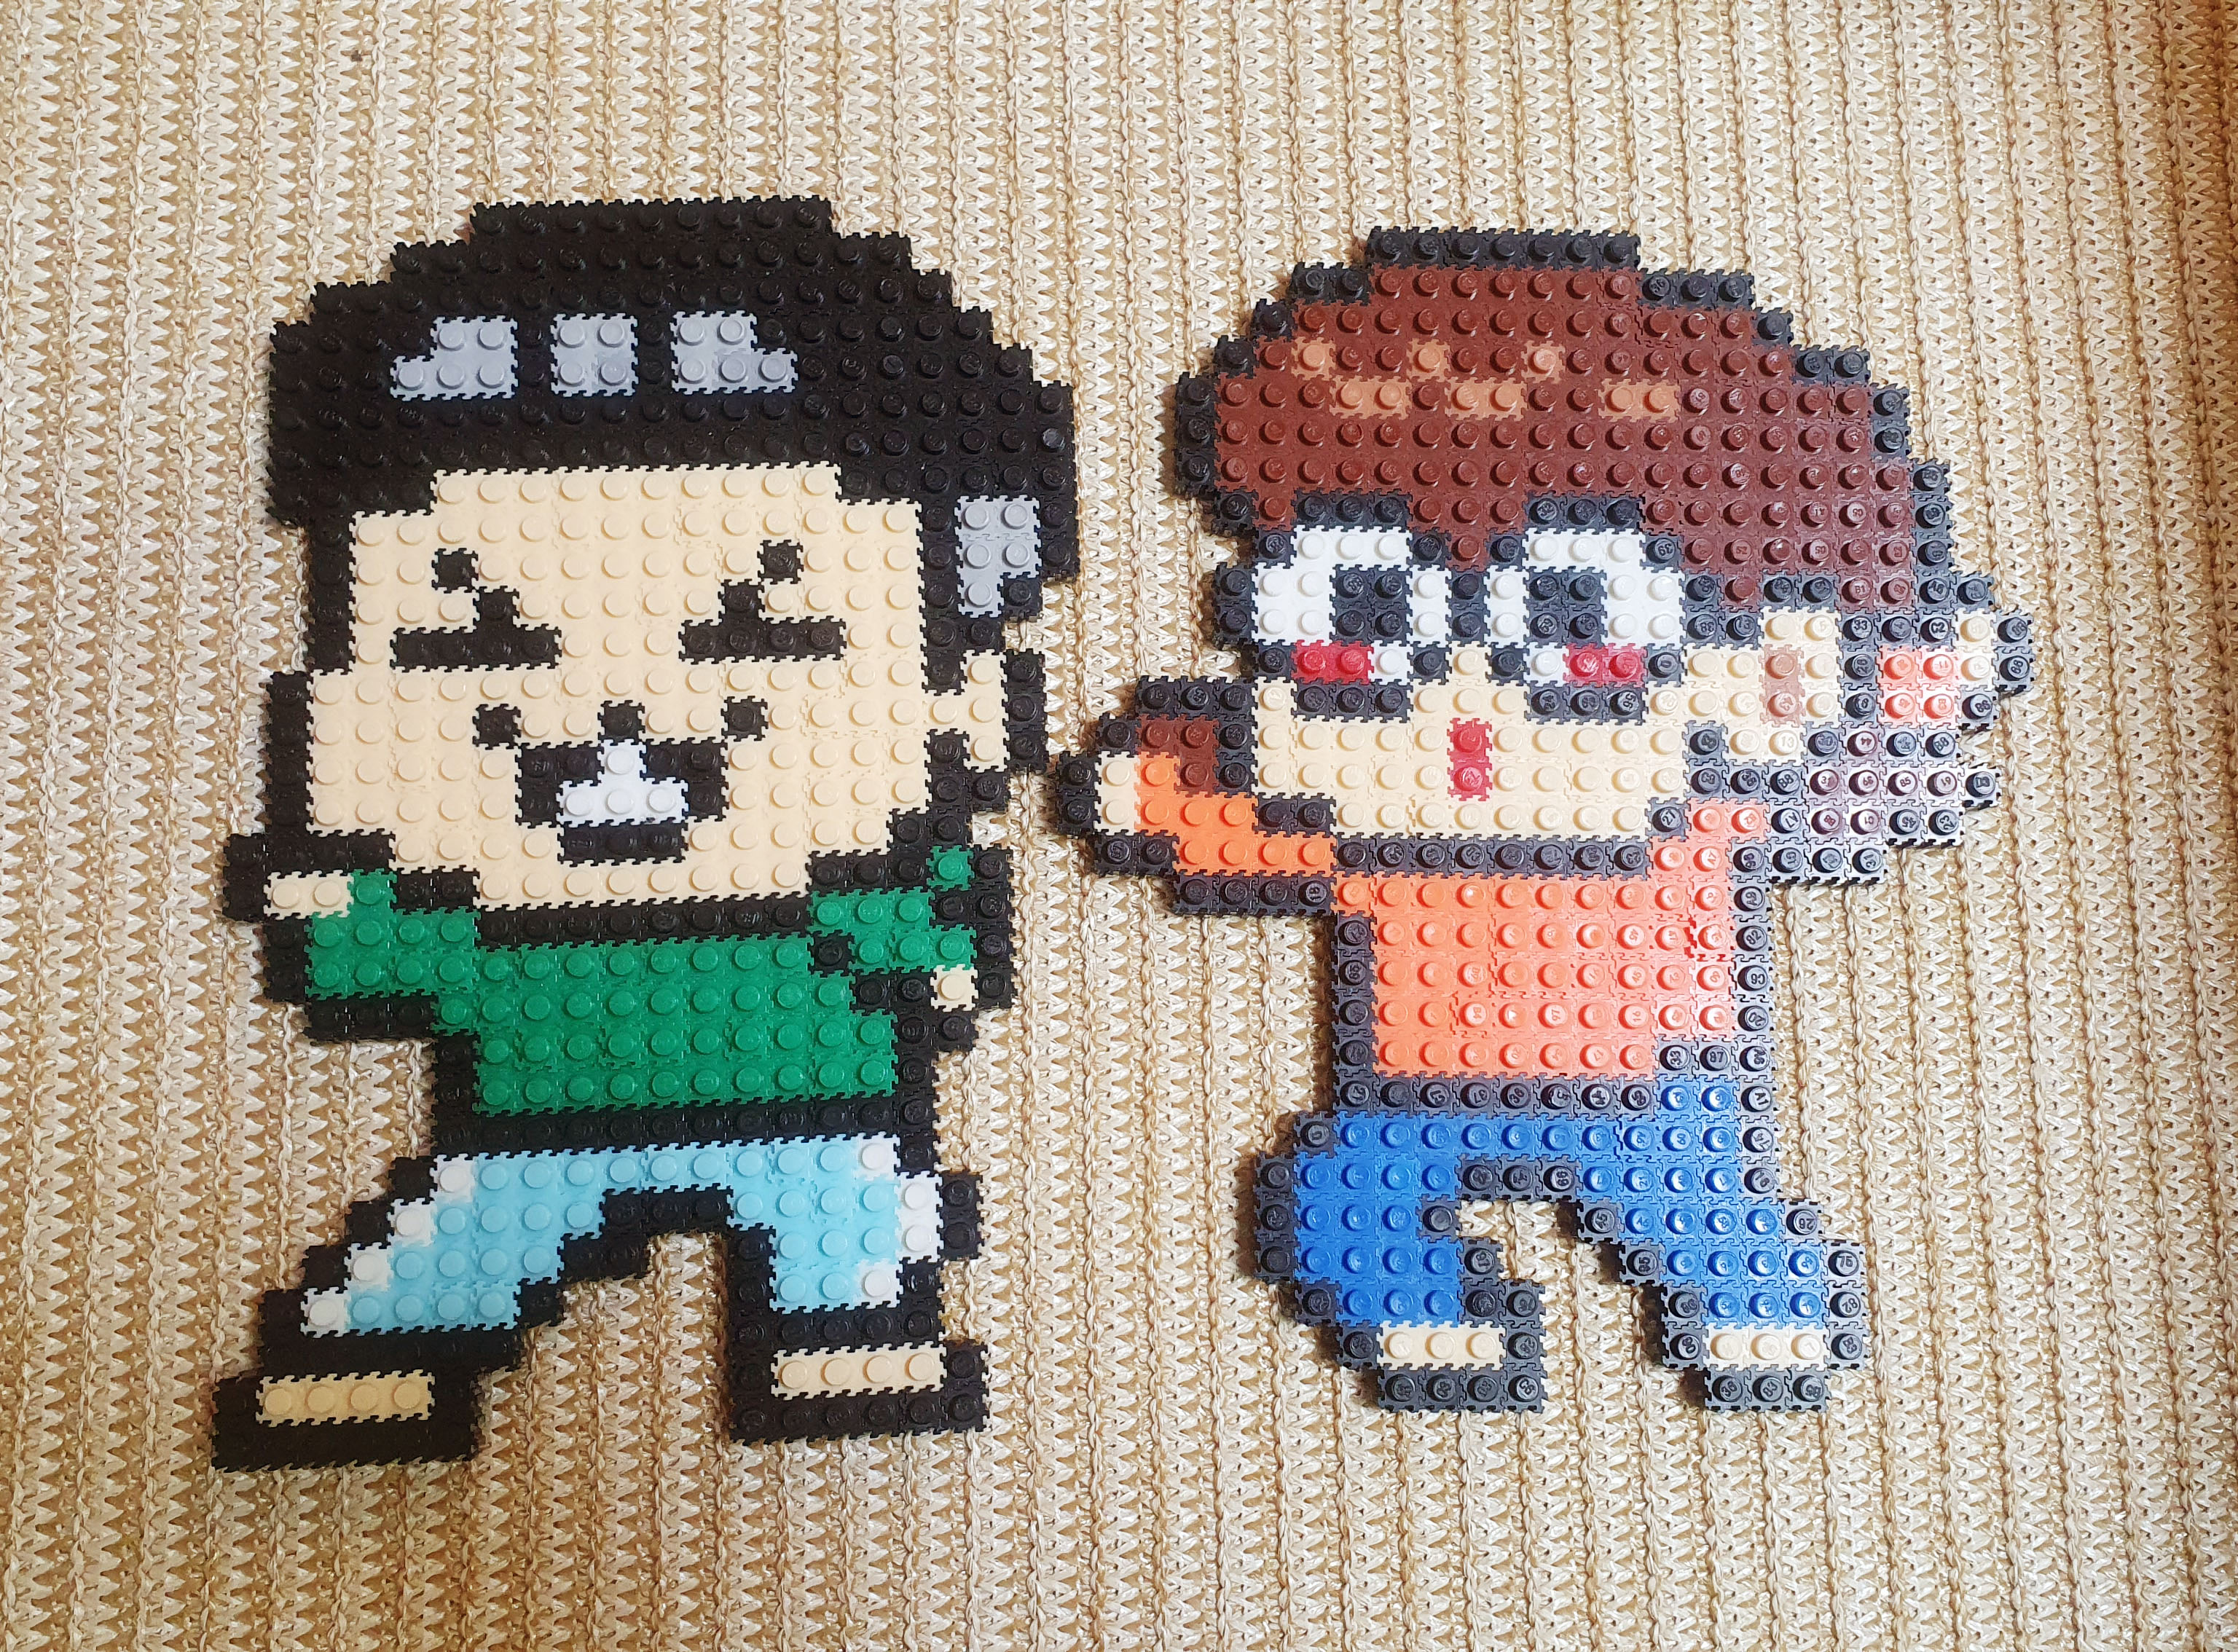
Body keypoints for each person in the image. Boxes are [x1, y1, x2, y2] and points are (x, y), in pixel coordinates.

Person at [1056, 228, 2033, 1412]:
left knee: (1708, 1222)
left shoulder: (1705, 807)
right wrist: (1153, 790)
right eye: (1361, 624)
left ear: (1745, 653)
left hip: (1661, 1094)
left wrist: (1903, 673)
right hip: (1414, 1096)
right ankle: (1424, 1309)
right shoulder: (1374, 826)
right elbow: (1229, 824)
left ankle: (1757, 1310)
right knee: (1330, 1203)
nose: (1466, 704)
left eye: (1581, 631)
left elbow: (1856, 740)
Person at [215, 195, 1075, 1467]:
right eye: (473, 643)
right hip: (535, 1125)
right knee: (473, 1236)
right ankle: (380, 1350)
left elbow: (928, 930)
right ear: (329, 706)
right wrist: (331, 907)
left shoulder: (860, 887)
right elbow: (378, 958)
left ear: (973, 700)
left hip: (818, 1109)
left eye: (764, 630)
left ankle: (847, 1328)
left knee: (845, 1207)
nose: (613, 719)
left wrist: (943, 940)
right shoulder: (476, 923)